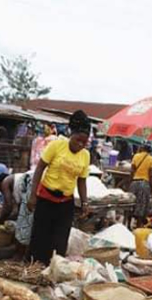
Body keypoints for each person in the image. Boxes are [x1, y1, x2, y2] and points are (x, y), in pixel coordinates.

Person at [27, 110, 90, 264]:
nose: (81, 145)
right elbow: (40, 168)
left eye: (84, 142)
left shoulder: (85, 155)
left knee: (60, 240)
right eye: (78, 140)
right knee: (40, 237)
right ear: (71, 134)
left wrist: (85, 203)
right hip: (46, 199)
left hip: (65, 203)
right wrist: (33, 195)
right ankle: (35, 268)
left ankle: (54, 270)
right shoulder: (57, 145)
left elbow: (81, 181)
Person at [129, 144, 152, 227]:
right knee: (141, 207)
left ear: (142, 148)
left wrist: (130, 183)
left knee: (131, 205)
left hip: (134, 183)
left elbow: (132, 171)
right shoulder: (151, 159)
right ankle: (138, 227)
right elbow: (151, 175)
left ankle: (127, 224)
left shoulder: (136, 156)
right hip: (144, 184)